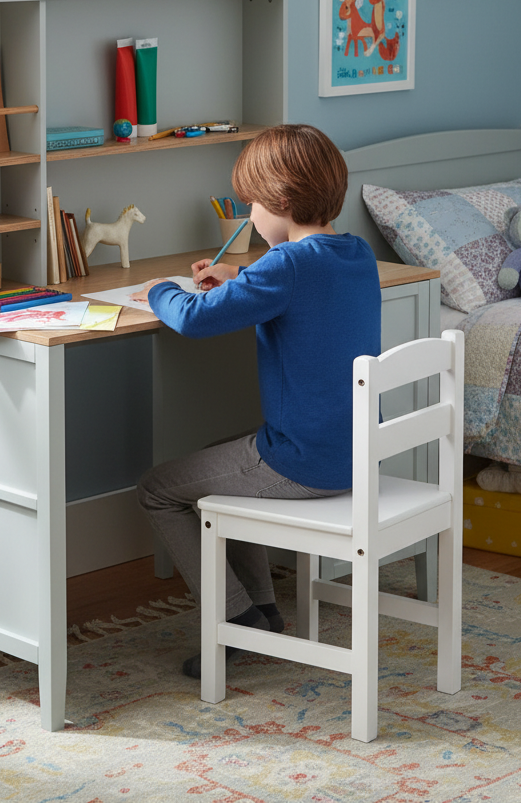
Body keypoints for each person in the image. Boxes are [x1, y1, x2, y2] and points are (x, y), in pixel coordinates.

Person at [133, 123, 381, 677]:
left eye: (252, 203)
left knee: (157, 490)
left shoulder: (286, 266)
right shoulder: (355, 253)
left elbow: (193, 319)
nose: (248, 214)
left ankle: (237, 618)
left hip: (304, 463)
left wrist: (157, 288)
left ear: (282, 201)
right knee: (220, 452)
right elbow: (296, 287)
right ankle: (261, 610)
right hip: (355, 455)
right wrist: (240, 277)